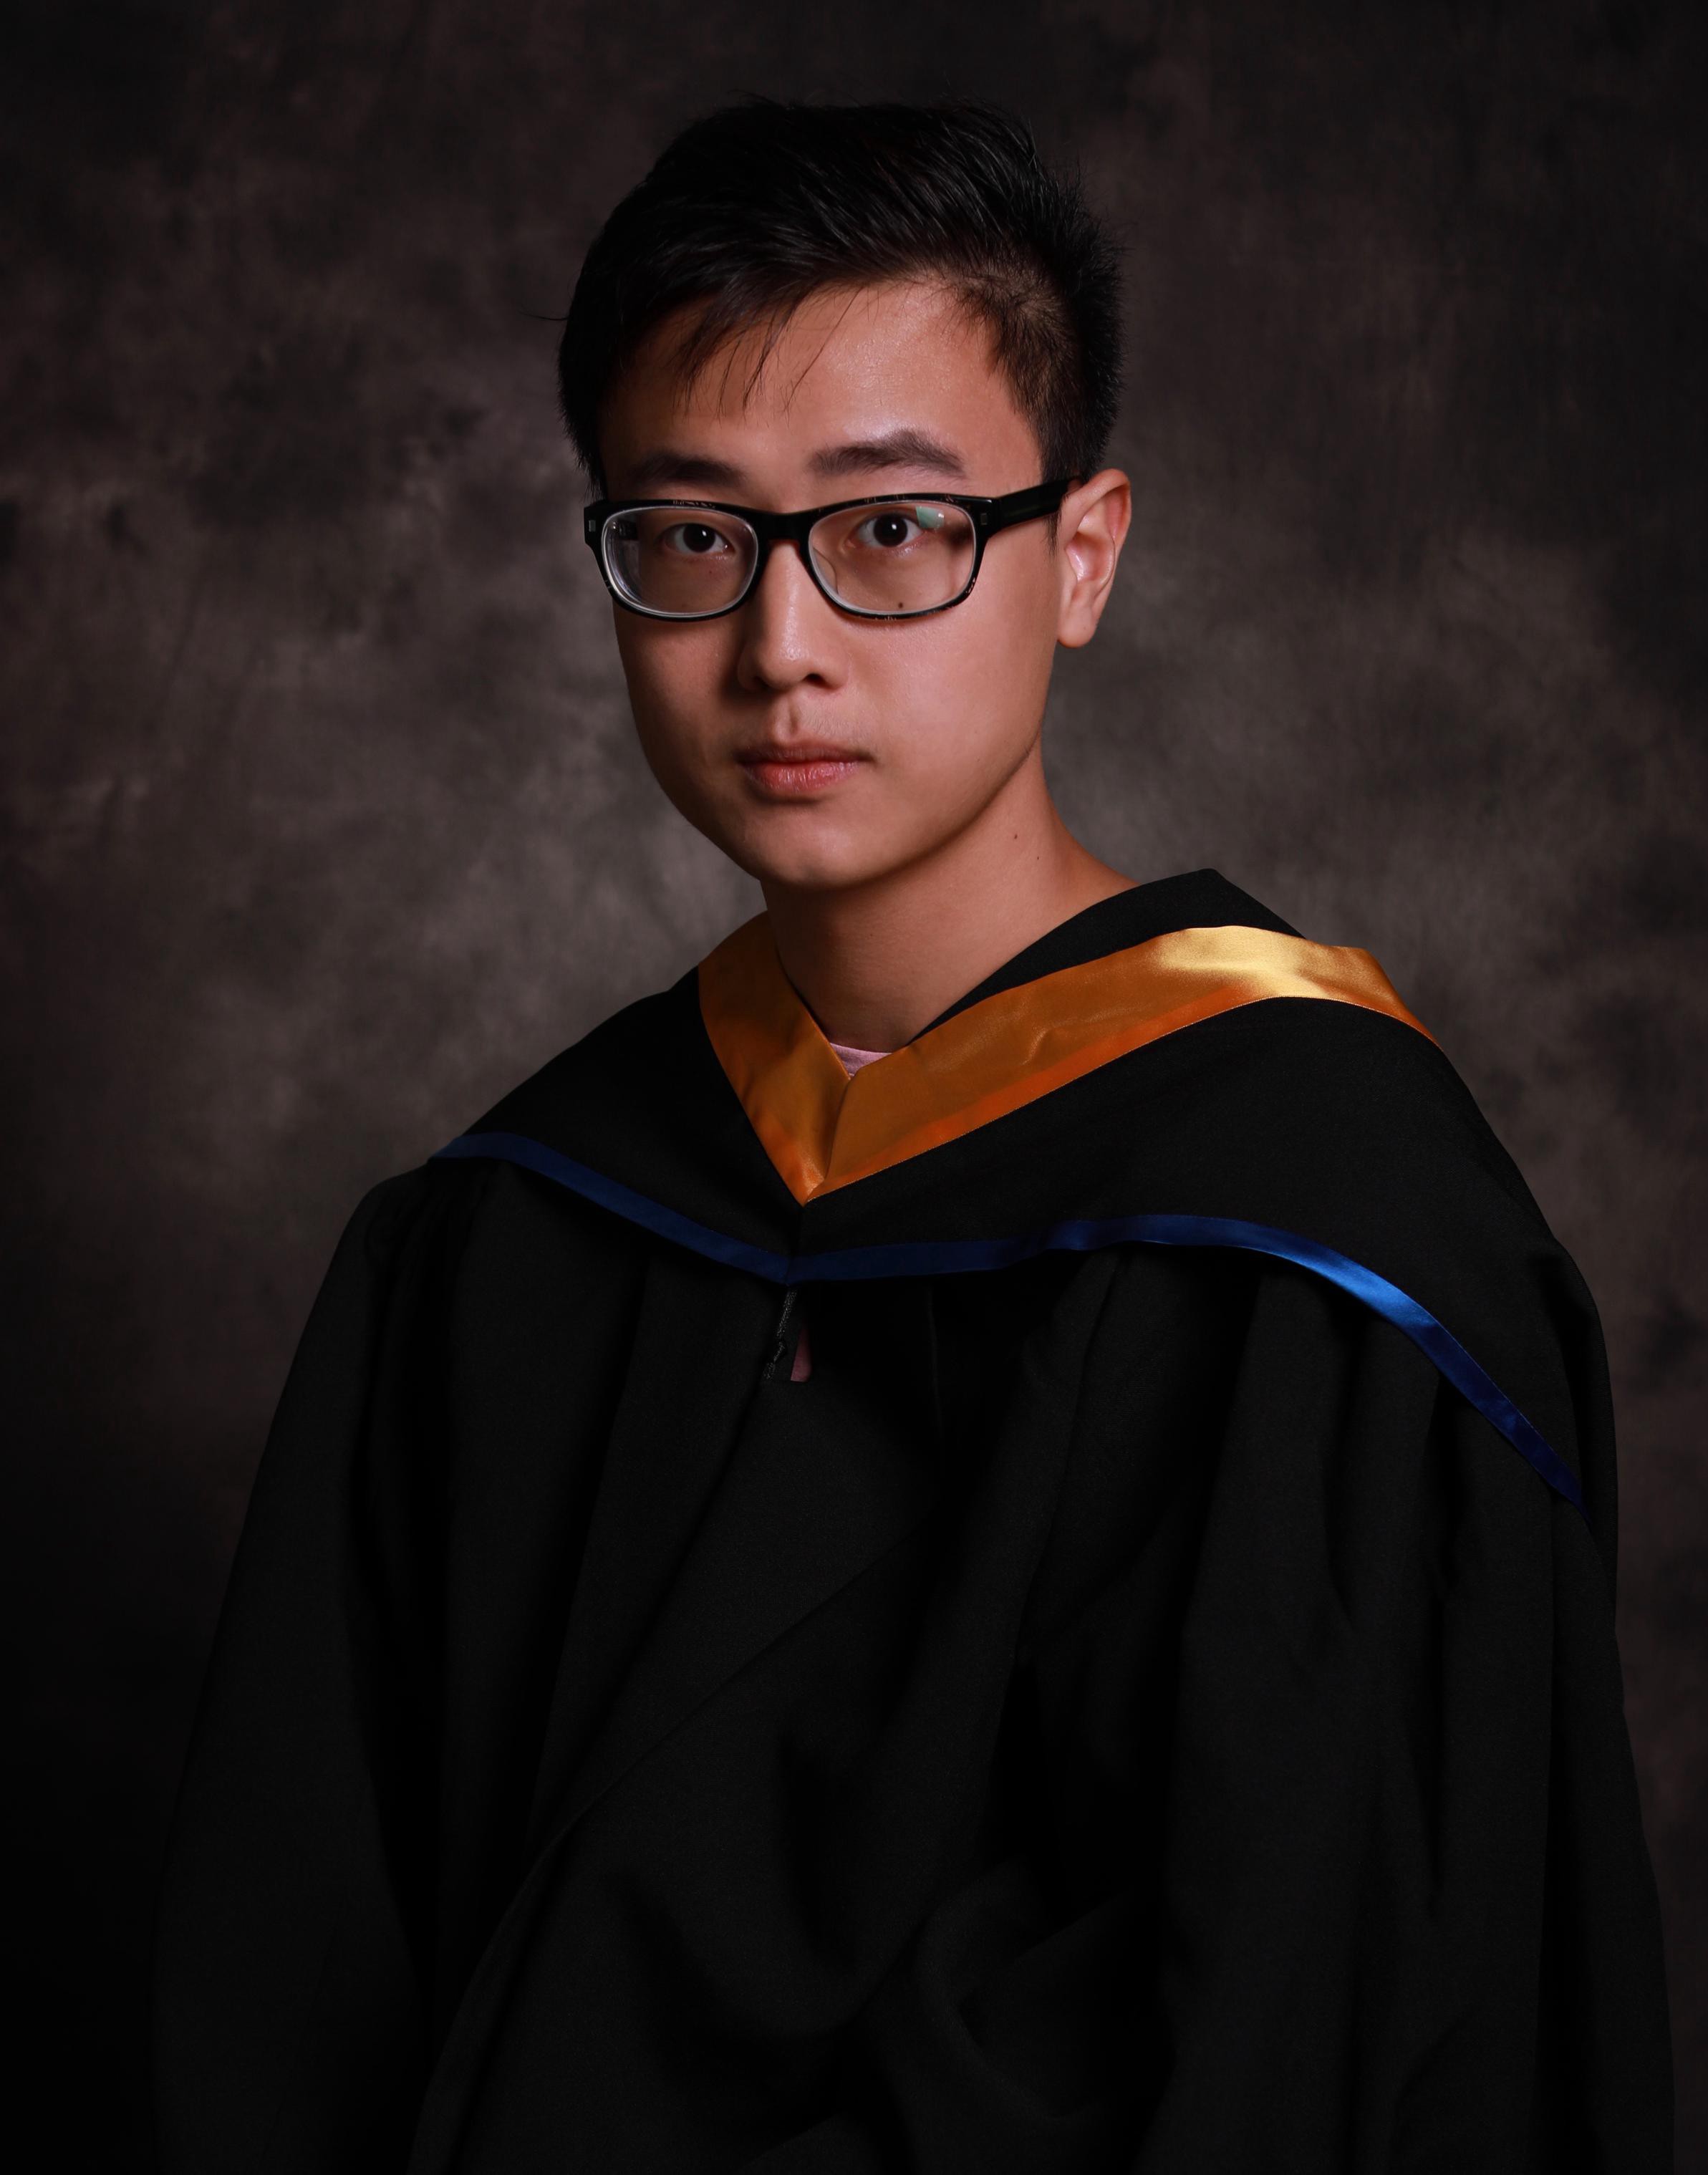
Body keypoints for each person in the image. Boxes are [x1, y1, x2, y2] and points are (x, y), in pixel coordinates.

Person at [151, 100, 1674, 2173]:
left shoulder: (1321, 1234)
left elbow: (1299, 2024)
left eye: (890, 530)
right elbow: (297, 1983)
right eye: (692, 537)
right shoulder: (509, 1236)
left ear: (1081, 554)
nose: (778, 647)